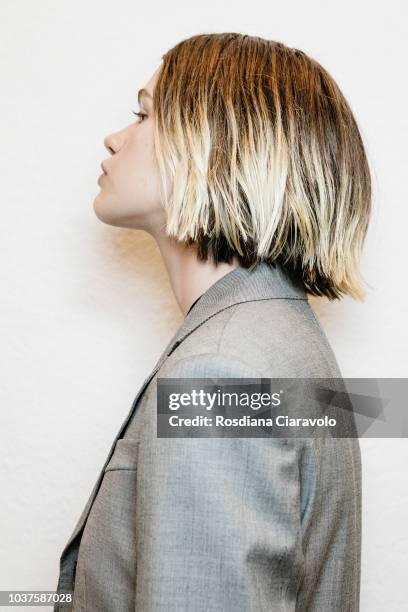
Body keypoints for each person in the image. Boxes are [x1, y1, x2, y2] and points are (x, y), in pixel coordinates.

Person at [55, 32, 371, 611]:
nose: (115, 137)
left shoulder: (221, 372)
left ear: (220, 146)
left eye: (143, 114)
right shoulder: (284, 338)